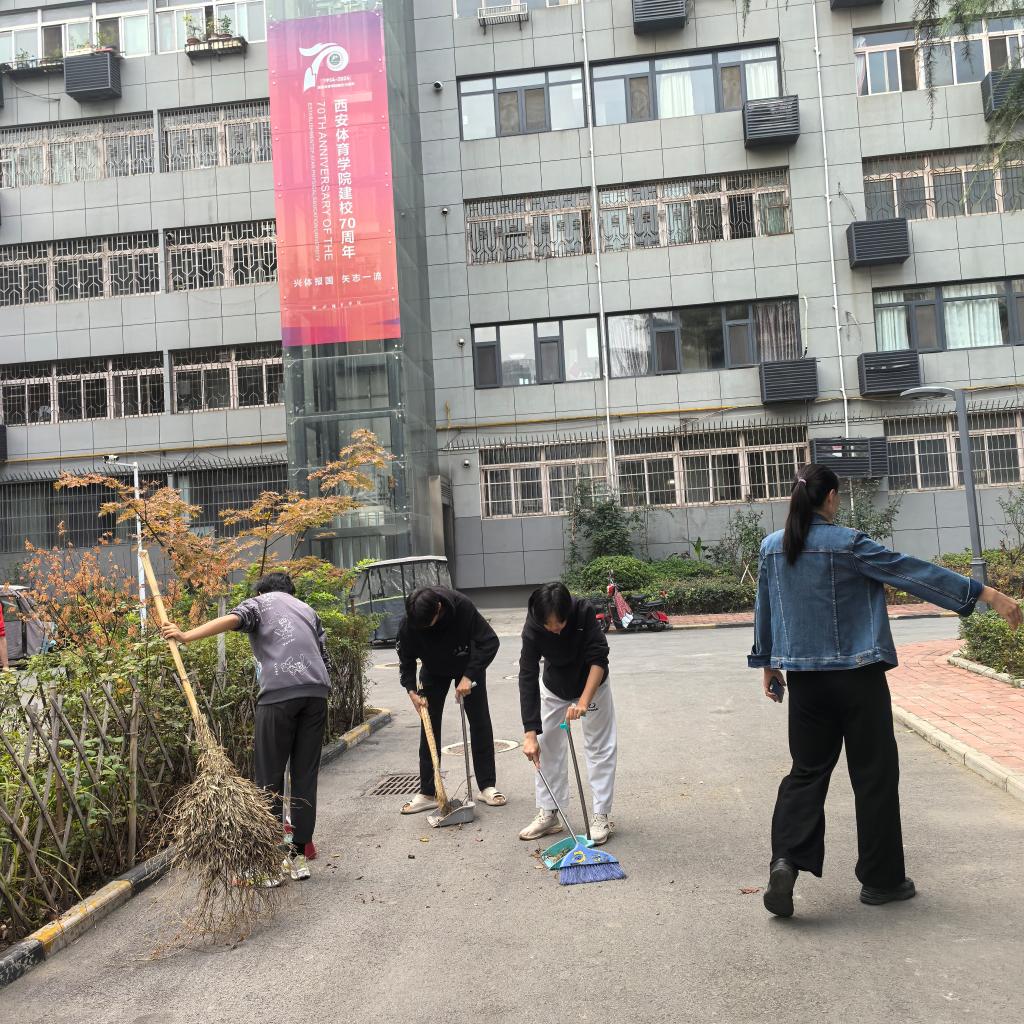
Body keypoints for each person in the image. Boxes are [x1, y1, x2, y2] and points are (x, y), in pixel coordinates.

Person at [750, 464, 1022, 918]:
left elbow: (765, 607)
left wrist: (767, 663)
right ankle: (881, 881)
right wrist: (985, 594)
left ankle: (786, 862)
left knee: (807, 772)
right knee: (873, 776)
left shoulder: (773, 547)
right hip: (860, 678)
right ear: (831, 497)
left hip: (807, 682)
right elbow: (911, 572)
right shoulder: (849, 543)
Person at [161, 572, 331, 884]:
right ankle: (297, 859)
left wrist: (185, 635)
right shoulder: (308, 610)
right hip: (317, 694)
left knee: (269, 778)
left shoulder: (259, 603)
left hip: (279, 695)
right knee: (305, 777)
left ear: (262, 591)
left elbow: (232, 620)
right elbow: (323, 655)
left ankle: (268, 865)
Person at [517, 582, 615, 845]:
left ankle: (601, 815)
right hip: (555, 686)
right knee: (546, 745)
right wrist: (529, 733)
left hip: (592, 684)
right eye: (548, 625)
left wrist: (583, 701)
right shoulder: (533, 626)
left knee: (599, 746)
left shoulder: (583, 611)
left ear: (567, 613)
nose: (555, 629)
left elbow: (598, 659)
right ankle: (550, 812)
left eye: (559, 623)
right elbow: (527, 675)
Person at [396, 586, 504, 814]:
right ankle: (428, 792)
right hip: (432, 670)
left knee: (479, 721)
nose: (423, 629)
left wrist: (469, 676)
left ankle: (486, 786)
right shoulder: (410, 621)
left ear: (439, 608)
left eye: (428, 625)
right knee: (429, 725)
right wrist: (411, 690)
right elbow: (406, 659)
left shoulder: (461, 606)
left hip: (467, 664)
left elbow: (490, 641)